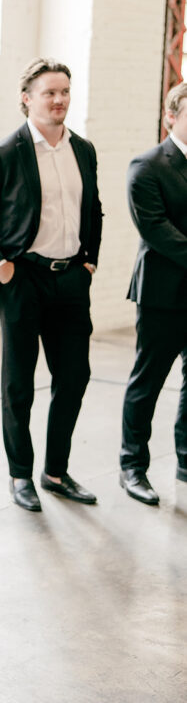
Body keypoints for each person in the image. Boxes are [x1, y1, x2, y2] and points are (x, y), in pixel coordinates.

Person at [0, 59, 102, 512]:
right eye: (49, 93)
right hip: (23, 280)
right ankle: (20, 475)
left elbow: (93, 209)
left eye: (64, 92)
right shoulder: (5, 151)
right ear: (27, 98)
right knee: (19, 385)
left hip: (72, 279)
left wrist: (90, 263)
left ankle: (55, 472)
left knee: (74, 377)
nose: (59, 100)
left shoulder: (84, 149)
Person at [119, 81, 187, 505]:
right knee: (148, 381)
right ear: (171, 116)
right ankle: (132, 467)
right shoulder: (147, 165)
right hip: (163, 294)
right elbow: (157, 231)